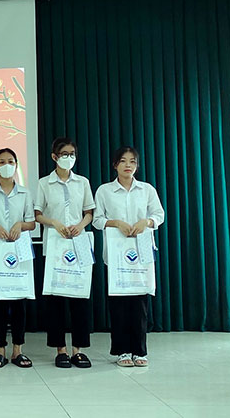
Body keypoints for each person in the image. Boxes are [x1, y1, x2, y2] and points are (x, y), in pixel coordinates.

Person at [93, 146, 165, 367]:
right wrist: (116, 223)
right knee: (119, 304)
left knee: (140, 303)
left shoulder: (146, 189)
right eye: (123, 161)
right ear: (115, 165)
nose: (128, 165)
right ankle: (122, 351)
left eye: (132, 161)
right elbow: (97, 220)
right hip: (117, 253)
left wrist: (147, 221)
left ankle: (139, 351)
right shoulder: (105, 190)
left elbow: (159, 214)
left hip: (141, 251)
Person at [35, 137, 96, 369]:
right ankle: (60, 349)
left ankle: (78, 350)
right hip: (55, 244)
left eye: (72, 154)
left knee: (80, 298)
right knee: (56, 300)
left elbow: (89, 212)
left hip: (79, 242)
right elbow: (37, 214)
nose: (68, 158)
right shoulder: (44, 183)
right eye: (64, 154)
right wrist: (54, 223)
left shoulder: (82, 182)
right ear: (54, 157)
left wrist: (80, 225)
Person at [0, 148, 36, 368]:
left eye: (10, 161)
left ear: (16, 165)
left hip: (19, 249)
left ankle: (18, 350)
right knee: (0, 301)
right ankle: (0, 350)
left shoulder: (25, 193)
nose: (6, 165)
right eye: (1, 162)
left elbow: (31, 223)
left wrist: (20, 225)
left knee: (20, 302)